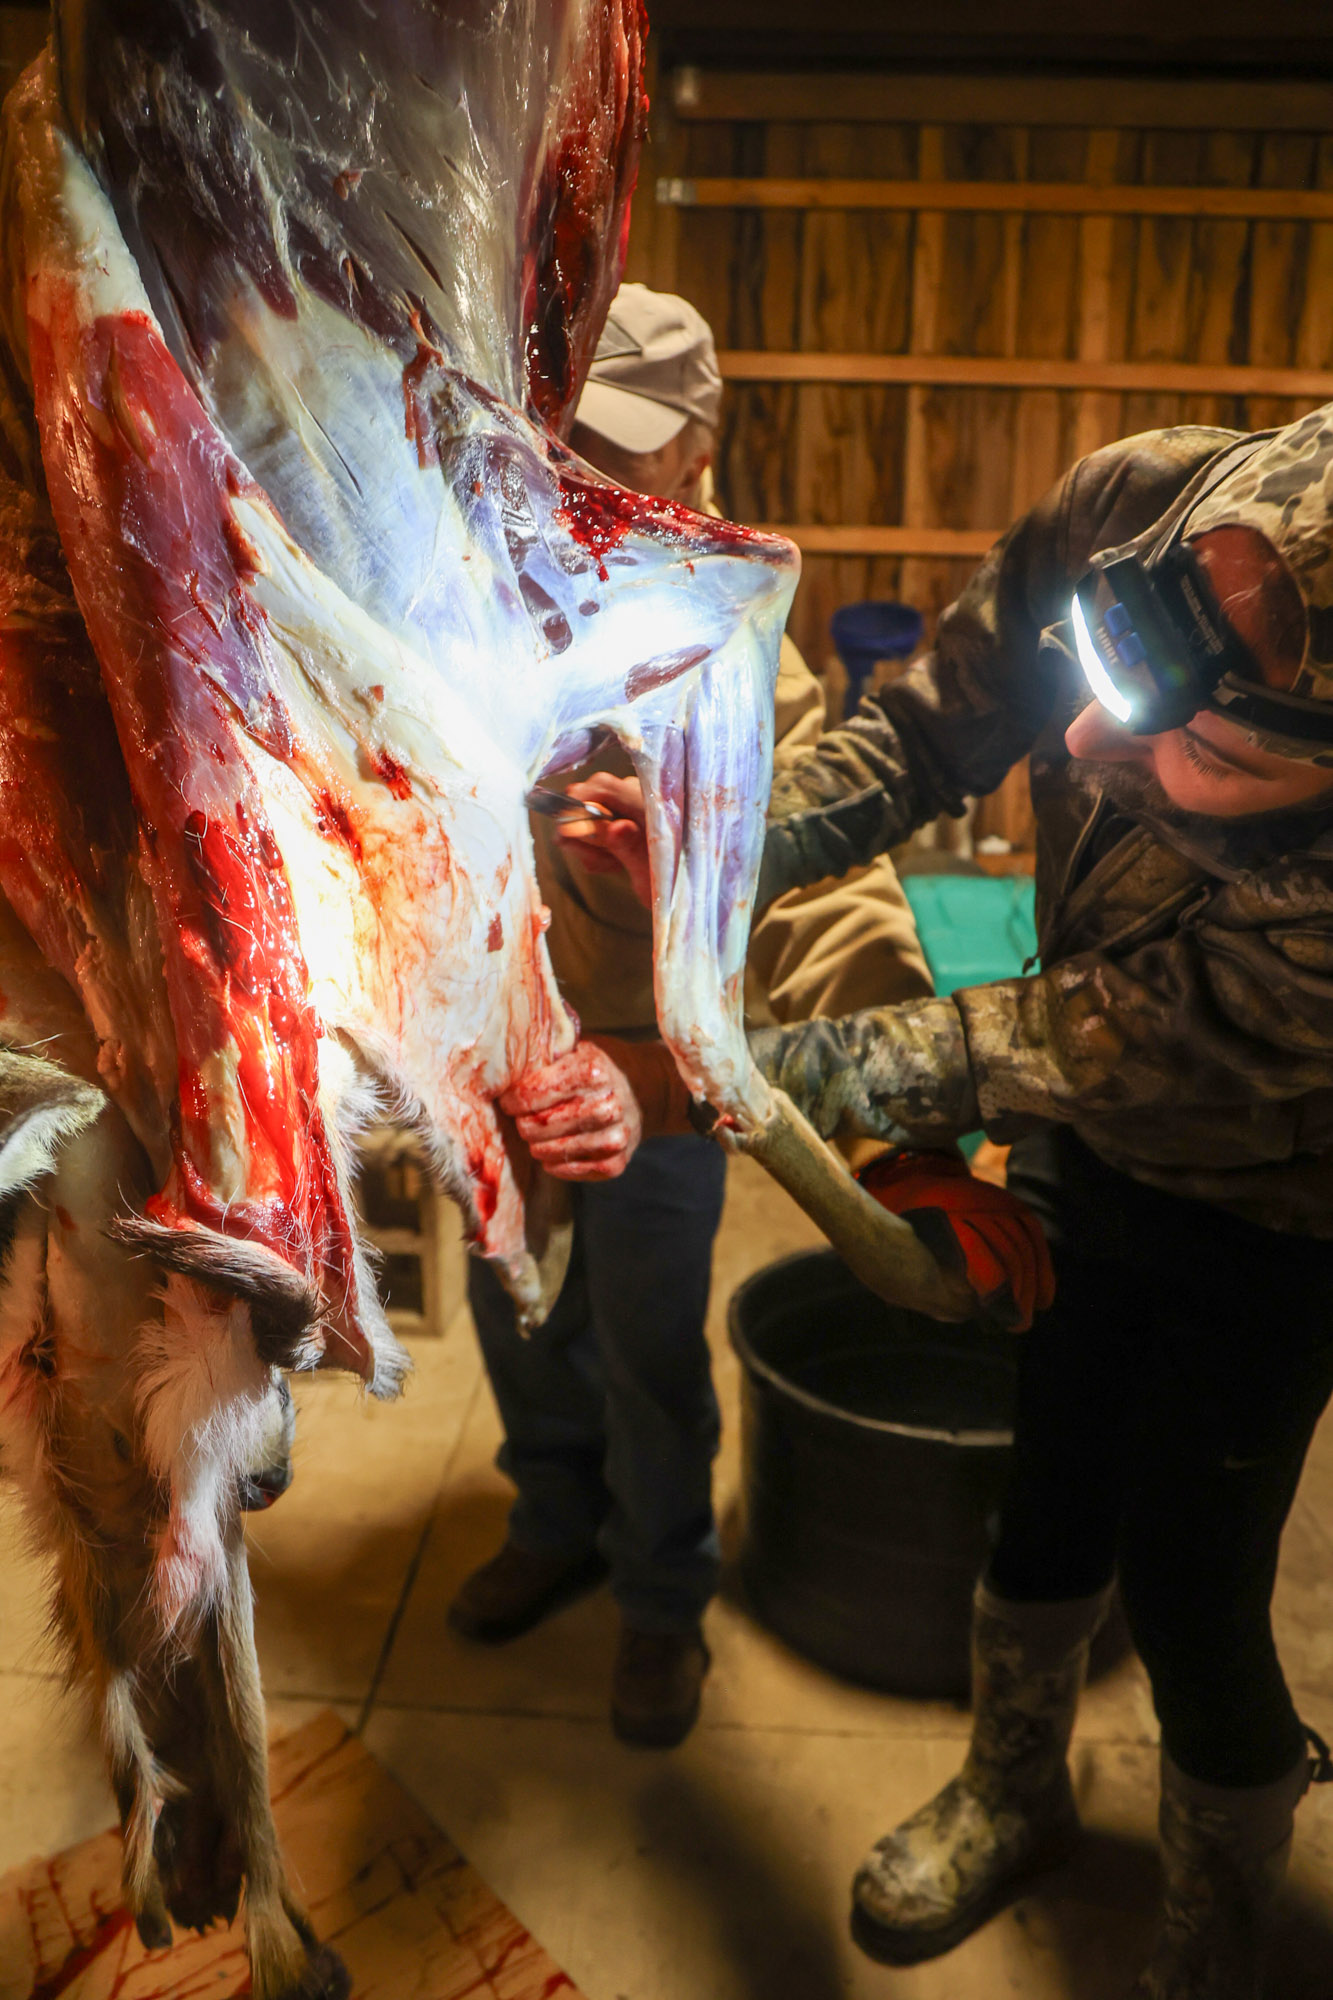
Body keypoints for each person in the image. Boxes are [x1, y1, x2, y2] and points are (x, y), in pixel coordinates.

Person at [564, 408, 1333, 1997]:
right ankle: (1013, 1789)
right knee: (1046, 1481)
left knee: (1195, 1585)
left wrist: (690, 1082)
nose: (1076, 755)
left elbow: (1017, 1047)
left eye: (1196, 758)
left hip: (1284, 1213)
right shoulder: (1133, 501)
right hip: (1090, 1133)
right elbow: (926, 732)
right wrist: (723, 847)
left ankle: (1210, 1940)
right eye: (1106, 684)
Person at [451, 283, 933, 1750]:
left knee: (651, 1338)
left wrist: (909, 1096)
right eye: (569, 442)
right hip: (499, 1053)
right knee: (514, 1307)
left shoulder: (736, 641)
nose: (591, 474)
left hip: (651, 1076)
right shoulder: (500, 585)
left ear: (698, 442)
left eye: (623, 444)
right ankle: (556, 1515)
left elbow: (826, 874)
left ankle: (661, 1599)